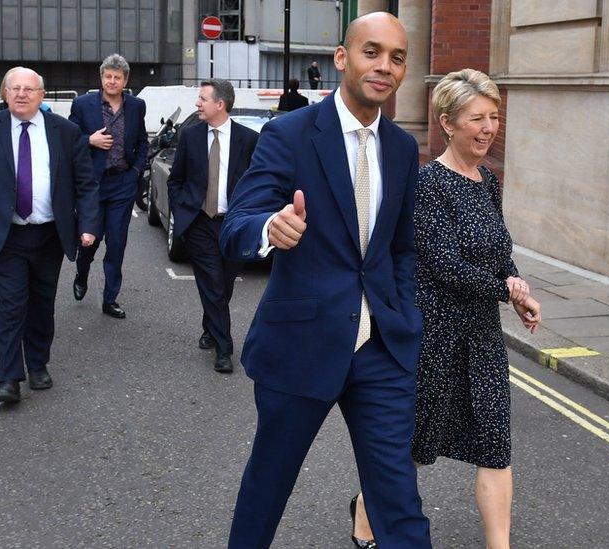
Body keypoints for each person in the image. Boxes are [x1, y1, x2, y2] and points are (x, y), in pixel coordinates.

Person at [221, 13, 432, 547]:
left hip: (381, 348)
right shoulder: (290, 133)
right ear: (342, 57)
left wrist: (404, 312)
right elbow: (238, 220)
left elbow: (400, 248)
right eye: (372, 52)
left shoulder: (403, 149)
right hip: (301, 343)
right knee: (268, 487)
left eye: (398, 57)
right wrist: (270, 226)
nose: (385, 66)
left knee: (399, 500)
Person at [350, 69, 541, 549]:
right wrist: (507, 290)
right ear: (448, 123)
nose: (488, 127)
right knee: (415, 447)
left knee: (495, 447)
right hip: (436, 336)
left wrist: (517, 287)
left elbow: (497, 251)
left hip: (482, 337)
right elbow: (445, 266)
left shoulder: (487, 181)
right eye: (477, 117)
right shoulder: (428, 184)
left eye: (494, 117)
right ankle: (365, 510)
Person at [0, 67, 99, 404]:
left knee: (41, 303)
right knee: (11, 304)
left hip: (49, 234)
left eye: (29, 89)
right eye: (15, 88)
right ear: (4, 93)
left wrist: (89, 225)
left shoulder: (65, 132)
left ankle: (38, 364)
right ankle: (9, 377)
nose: (21, 94)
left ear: (42, 95)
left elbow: (85, 183)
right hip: (5, 236)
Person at [166, 79, 258, 373]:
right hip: (199, 223)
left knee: (225, 284)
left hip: (233, 225)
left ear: (220, 104)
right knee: (213, 284)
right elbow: (176, 179)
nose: (197, 103)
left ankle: (209, 326)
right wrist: (182, 210)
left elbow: (257, 183)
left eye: (203, 98)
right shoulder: (191, 135)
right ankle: (224, 348)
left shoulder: (248, 139)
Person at [69, 54, 149, 319]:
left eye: (117, 77)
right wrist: (88, 140)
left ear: (125, 80)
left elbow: (142, 143)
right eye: (107, 76)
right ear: (101, 78)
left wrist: (136, 171)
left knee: (116, 243)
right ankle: (81, 274)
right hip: (92, 185)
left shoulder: (137, 106)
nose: (112, 81)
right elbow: (68, 141)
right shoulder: (82, 104)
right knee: (90, 241)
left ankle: (110, 298)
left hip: (123, 183)